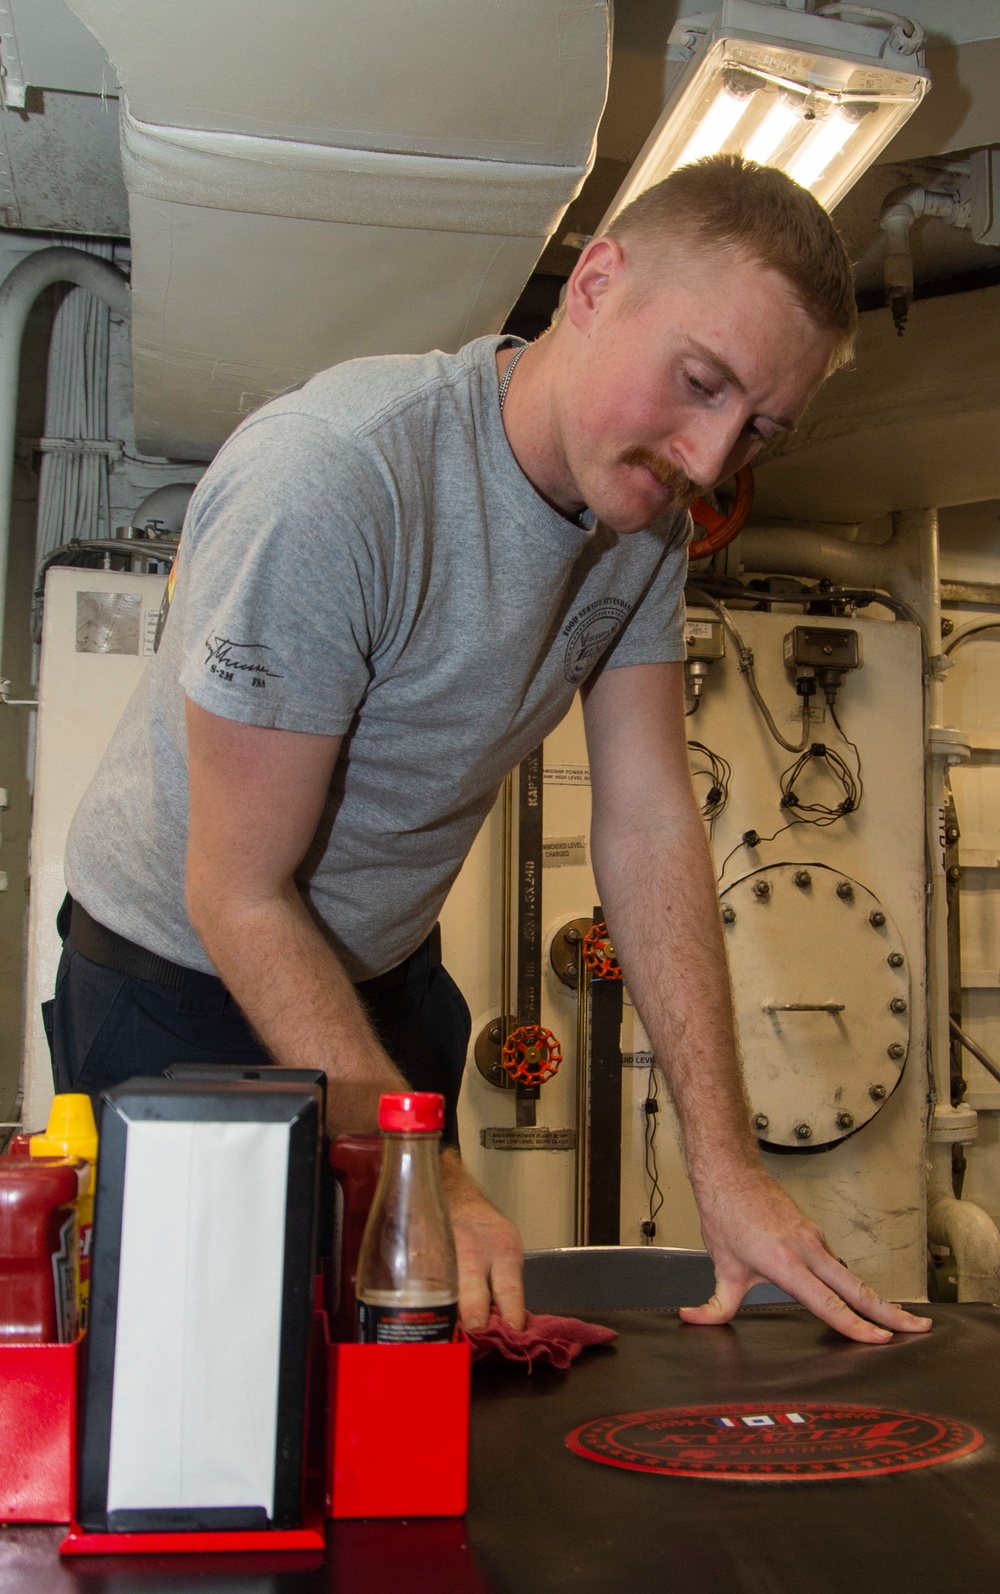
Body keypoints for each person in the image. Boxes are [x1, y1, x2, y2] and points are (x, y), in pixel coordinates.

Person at [49, 155, 931, 1345]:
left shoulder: (644, 527)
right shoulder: (335, 484)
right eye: (699, 381)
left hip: (383, 985)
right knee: (207, 1389)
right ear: (596, 283)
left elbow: (650, 820)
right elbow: (237, 891)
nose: (710, 460)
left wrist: (722, 1166)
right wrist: (426, 1170)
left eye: (755, 423)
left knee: (414, 1345)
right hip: (177, 993)